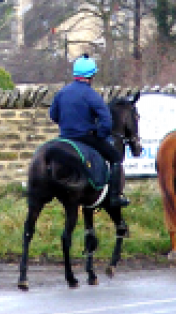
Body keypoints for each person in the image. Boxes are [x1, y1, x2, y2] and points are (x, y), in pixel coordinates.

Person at [49, 54, 128, 207]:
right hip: (85, 137)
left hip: (64, 137)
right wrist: (100, 135)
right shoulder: (91, 95)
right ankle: (115, 196)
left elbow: (53, 115)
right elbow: (106, 121)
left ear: (75, 74)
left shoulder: (61, 93)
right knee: (116, 157)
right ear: (91, 75)